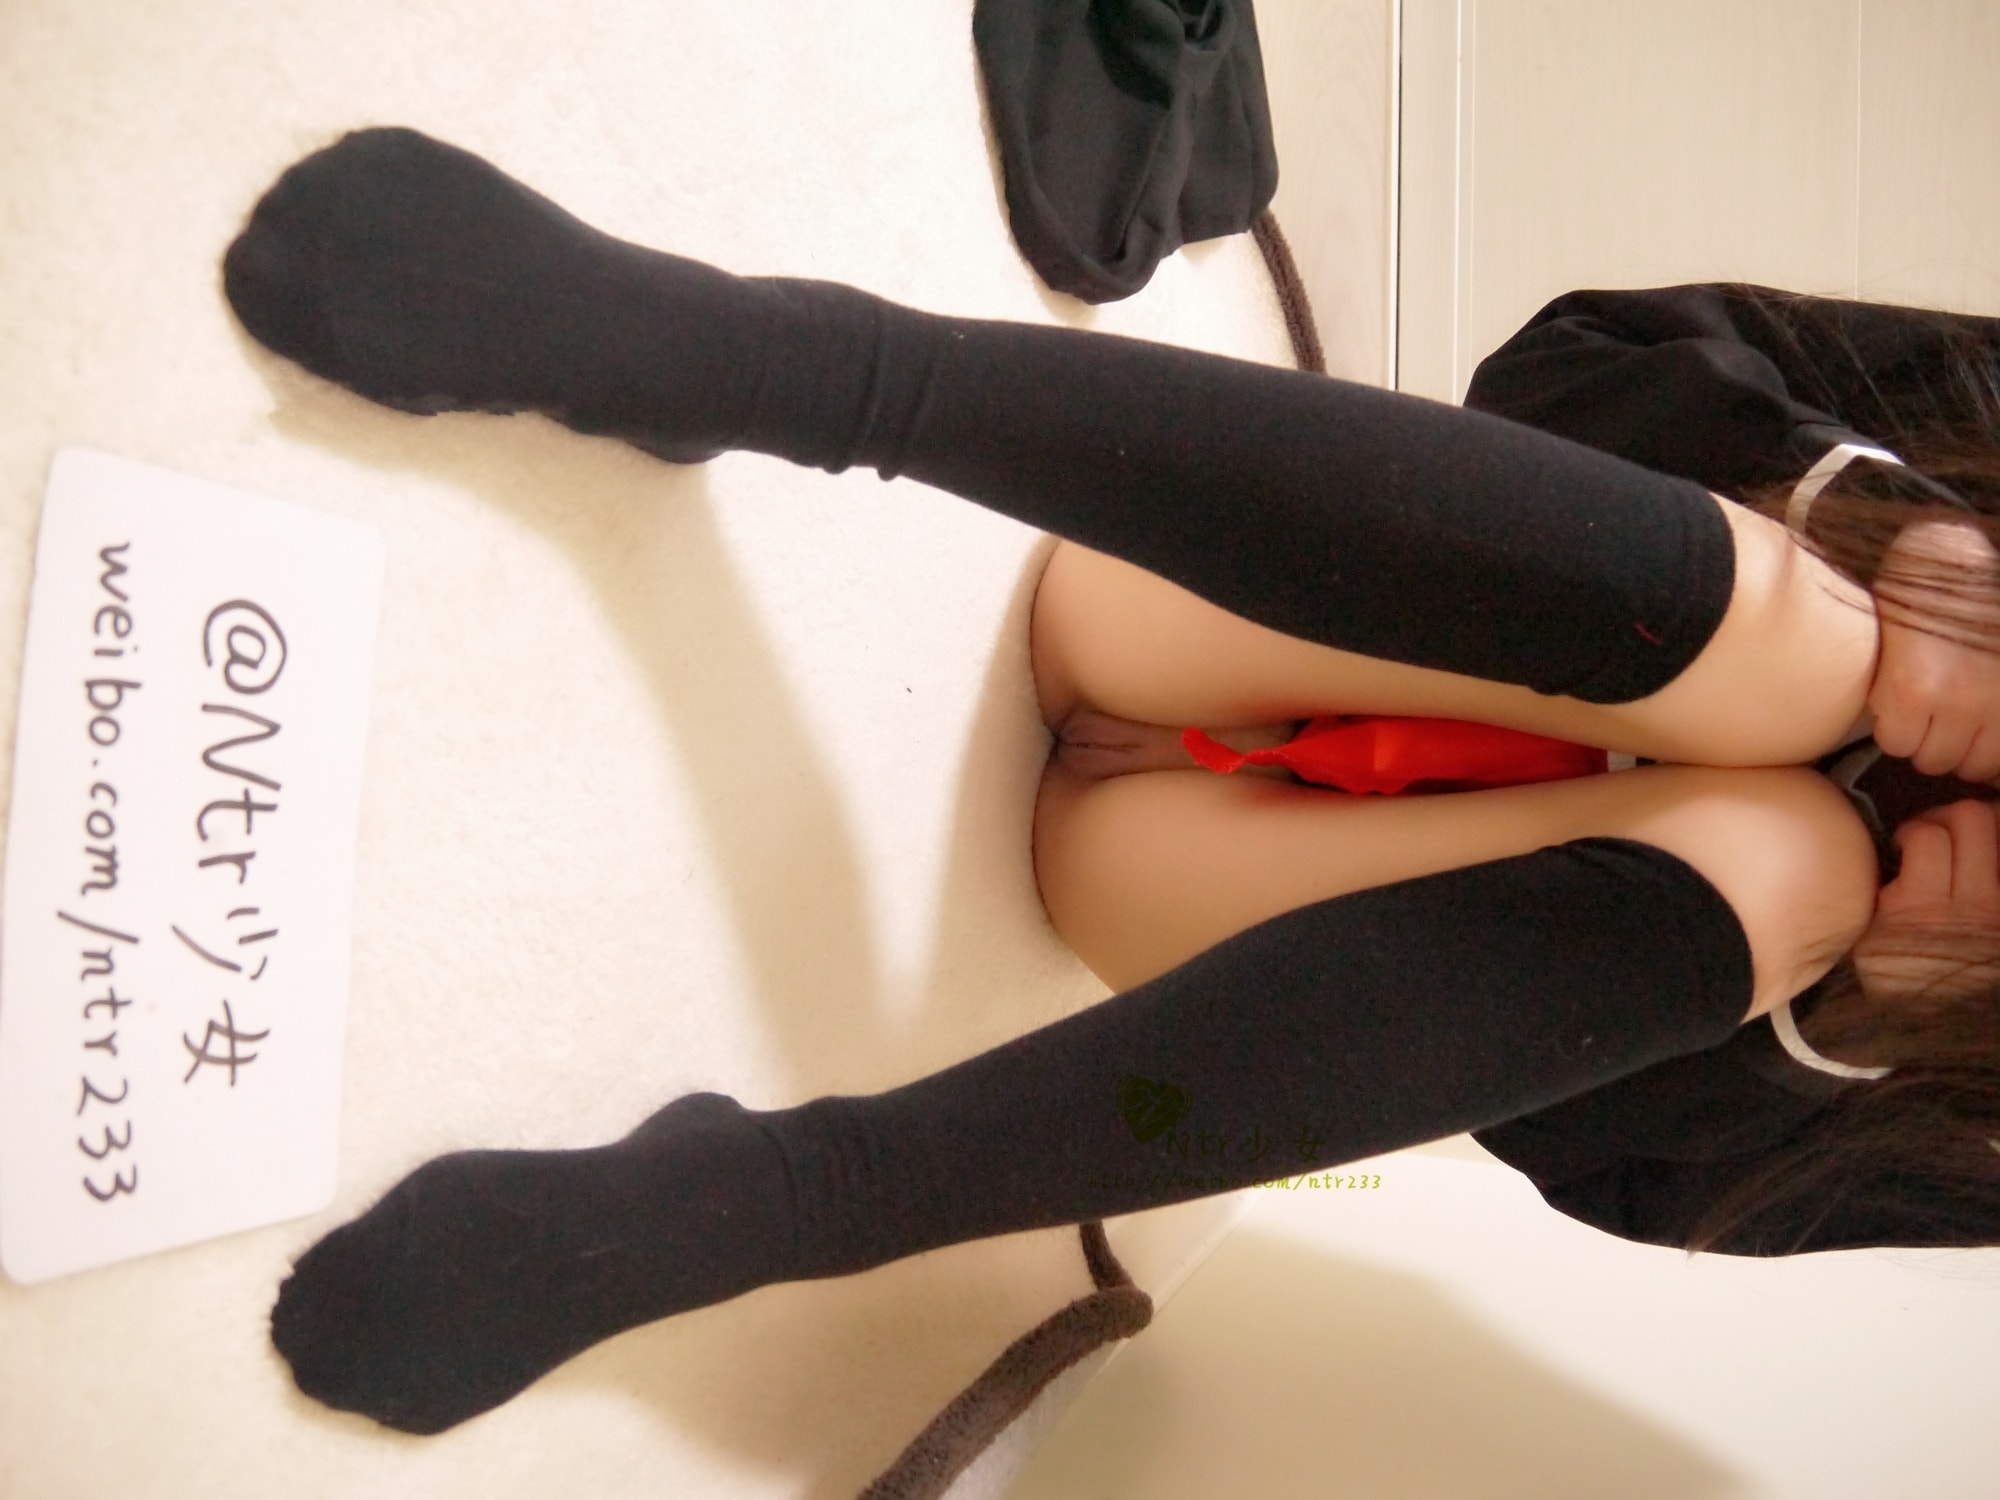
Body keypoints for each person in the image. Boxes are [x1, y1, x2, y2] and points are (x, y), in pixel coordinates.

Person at [219, 127, 2000, 1437]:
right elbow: (1562, 365)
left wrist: (1841, 1025)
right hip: (1194, 609)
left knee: (1791, 866)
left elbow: (1605, 1170)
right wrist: (1887, 535)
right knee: (1809, 647)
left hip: (1190, 897)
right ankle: (747, 357)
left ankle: (793, 1202)